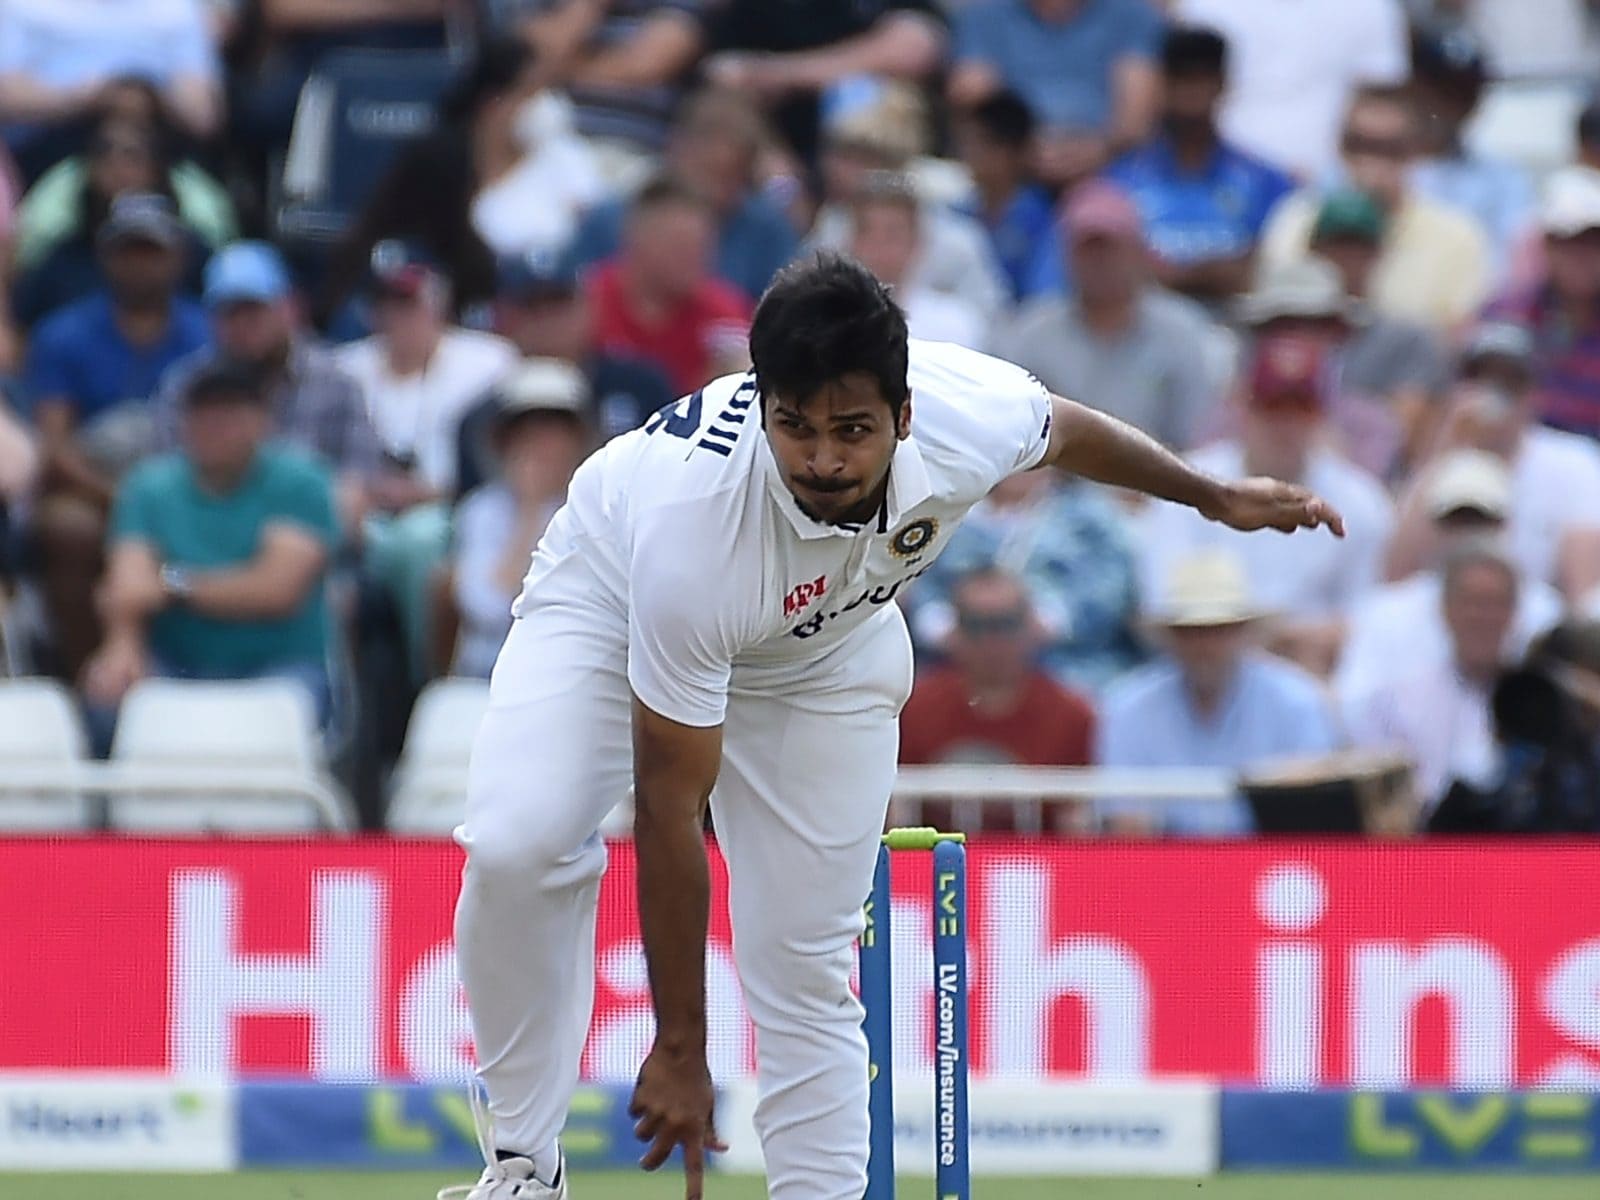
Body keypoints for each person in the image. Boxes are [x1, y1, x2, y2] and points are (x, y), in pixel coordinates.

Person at [442, 252, 1343, 1200]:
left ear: (905, 417)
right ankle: (524, 1168)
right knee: (518, 844)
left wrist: (1211, 494)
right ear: (762, 407)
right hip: (615, 604)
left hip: (826, 654)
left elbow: (1066, 431)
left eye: (852, 431)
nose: (823, 460)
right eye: (795, 428)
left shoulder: (966, 413)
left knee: (804, 961)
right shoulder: (695, 530)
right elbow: (669, 812)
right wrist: (678, 1048)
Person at [80, 360, 339, 746]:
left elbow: (275, 592)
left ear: (261, 421)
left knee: (273, 724)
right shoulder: (148, 486)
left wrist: (171, 584)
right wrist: (123, 643)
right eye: (203, 414)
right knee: (106, 695)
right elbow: (128, 586)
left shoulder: (302, 482)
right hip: (175, 663)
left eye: (230, 413)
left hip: (278, 666)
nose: (215, 426)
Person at [22, 192, 208, 680]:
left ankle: (211, 673)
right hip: (97, 485)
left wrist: (166, 500)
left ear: (179, 257)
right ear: (105, 257)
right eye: (128, 251)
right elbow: (55, 446)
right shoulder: (63, 333)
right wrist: (121, 499)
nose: (139, 265)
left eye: (152, 252)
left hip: (191, 482)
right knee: (66, 527)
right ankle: (85, 678)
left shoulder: (208, 333)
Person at [1138, 333, 1395, 677]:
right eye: (1273, 409)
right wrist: (1266, 636)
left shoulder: (1361, 501)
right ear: (1245, 409)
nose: (1285, 427)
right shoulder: (1189, 481)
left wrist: (1288, 641)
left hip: (1318, 673)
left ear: (1320, 417)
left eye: (1299, 411)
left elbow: (1370, 618)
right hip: (1204, 664)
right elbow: (1162, 601)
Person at [323, 37, 601, 331]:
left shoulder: (560, 157)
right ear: (493, 102)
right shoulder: (440, 159)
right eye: (530, 92)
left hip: (545, 301)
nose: (543, 105)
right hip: (452, 308)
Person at [336, 242, 518, 682]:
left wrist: (426, 492)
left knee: (417, 545)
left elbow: (495, 459)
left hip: (448, 507)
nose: (396, 315)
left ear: (438, 301)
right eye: (384, 302)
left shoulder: (488, 360)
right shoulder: (347, 366)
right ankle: (346, 706)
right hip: (369, 510)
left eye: (407, 300)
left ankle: (430, 682)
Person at [1096, 548, 1341, 836]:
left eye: (1220, 630)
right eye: (1192, 632)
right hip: (1164, 869)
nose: (1206, 647)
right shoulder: (1128, 709)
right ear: (1171, 637)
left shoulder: (1297, 703)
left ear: (1244, 632)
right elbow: (1127, 825)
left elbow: (1314, 815)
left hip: (1269, 868)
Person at [151, 241, 381, 534]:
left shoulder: (336, 381)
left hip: (309, 536)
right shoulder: (185, 385)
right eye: (230, 313)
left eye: (254, 310)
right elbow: (167, 483)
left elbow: (360, 481)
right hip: (209, 533)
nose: (243, 324)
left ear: (289, 308)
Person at [994, 180, 1226, 450]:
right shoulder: (1031, 334)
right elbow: (1010, 434)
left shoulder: (1182, 332)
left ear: (1138, 252)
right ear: (1066, 256)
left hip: (1156, 482)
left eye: (1111, 248)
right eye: (1087, 250)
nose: (1099, 262)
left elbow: (1197, 439)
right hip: (1050, 485)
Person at [1336, 448, 1561, 719]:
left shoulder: (1547, 612)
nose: (1468, 534)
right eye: (1457, 522)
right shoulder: (1386, 613)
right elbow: (1355, 707)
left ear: (1504, 525)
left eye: (1480, 521)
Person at [1385, 321, 1600, 604]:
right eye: (1481, 380)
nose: (1494, 394)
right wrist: (1448, 448)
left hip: (1537, 625)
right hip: (1447, 619)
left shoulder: (1573, 462)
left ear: (1533, 393)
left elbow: (1585, 593)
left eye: (1510, 383)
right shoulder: (1444, 460)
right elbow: (1395, 577)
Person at [1257, 87, 1491, 332]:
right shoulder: (1298, 220)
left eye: (1388, 150)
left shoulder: (1456, 237)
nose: (1371, 164)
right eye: (1358, 145)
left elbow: (1456, 339)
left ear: (1416, 152)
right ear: (1339, 147)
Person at [902, 465, 1142, 695]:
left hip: (1066, 662)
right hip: (954, 659)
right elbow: (920, 579)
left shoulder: (1089, 516)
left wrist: (1052, 621)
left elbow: (1113, 583)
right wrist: (940, 626)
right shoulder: (951, 512)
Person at [1103, 24, 1294, 307]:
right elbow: (1114, 273)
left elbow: (1267, 272)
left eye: (1203, 78)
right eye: (1182, 78)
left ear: (1223, 84)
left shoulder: (1267, 182)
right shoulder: (1118, 182)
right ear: (1162, 84)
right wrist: (1211, 274)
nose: (1191, 92)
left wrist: (1170, 274)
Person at [899, 565, 1096, 835]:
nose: (991, 640)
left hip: (1035, 870)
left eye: (1005, 623)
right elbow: (896, 813)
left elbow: (1077, 823)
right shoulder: (913, 709)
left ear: (1031, 626)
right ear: (954, 631)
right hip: (938, 867)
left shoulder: (1072, 714)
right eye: (975, 625)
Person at [456, 250, 672, 494]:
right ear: (507, 318)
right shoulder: (483, 416)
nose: (548, 322)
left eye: (559, 304)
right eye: (532, 307)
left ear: (589, 307)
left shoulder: (640, 386)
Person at [561, 86, 799, 304]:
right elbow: (573, 297)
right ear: (677, 150)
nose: (713, 191)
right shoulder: (611, 218)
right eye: (708, 171)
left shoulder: (769, 231)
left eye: (732, 175)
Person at [1233, 254, 1449, 476]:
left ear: (1338, 333)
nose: (1298, 338)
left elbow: (1365, 499)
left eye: (1316, 325)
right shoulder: (1228, 415)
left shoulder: (1370, 424)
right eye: (1283, 325)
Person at [1346, 540, 1521, 812]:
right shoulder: (1399, 702)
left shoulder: (1540, 700)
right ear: (1445, 609)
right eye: (1472, 602)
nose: (1483, 617)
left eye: (1495, 603)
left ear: (1514, 613)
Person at [450, 359, 592, 679]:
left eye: (553, 431)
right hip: (487, 673)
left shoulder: (598, 509)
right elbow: (484, 607)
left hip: (572, 674)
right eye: (527, 433)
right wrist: (529, 512)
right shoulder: (481, 510)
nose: (540, 445)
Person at [1170, 0, 1409, 182]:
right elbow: (1185, 89)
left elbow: (1380, 103)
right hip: (1221, 185)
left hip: (1327, 186)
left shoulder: (1371, 6)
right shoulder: (1203, 4)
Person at [698, 0, 947, 167]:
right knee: (725, 103)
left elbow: (913, 50)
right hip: (779, 154)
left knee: (869, 94)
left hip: (881, 150)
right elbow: (724, 70)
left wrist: (779, 74)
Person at [948, 0, 1162, 189]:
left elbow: (1136, 117)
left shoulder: (1132, 14)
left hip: (1108, 172)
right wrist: (1023, 149)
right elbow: (971, 96)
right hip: (1013, 171)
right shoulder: (985, 16)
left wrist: (1098, 149)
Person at [0, 0, 222, 180]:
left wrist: (143, 95)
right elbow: (6, 96)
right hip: (55, 150)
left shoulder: (175, 8)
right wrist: (86, 99)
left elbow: (204, 116)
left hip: (162, 147)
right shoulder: (24, 5)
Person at [486, 0, 706, 175]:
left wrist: (555, 68)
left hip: (624, 151)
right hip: (538, 145)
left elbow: (644, 66)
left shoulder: (675, 5)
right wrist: (588, 6)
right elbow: (526, 57)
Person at [583, 176, 752, 396]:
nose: (695, 258)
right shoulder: (590, 299)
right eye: (680, 246)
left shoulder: (722, 314)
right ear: (636, 240)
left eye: (703, 246)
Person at [1407, 23, 1536, 282]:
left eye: (1462, 94)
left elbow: (1510, 272)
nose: (1449, 106)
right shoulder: (1373, 165)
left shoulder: (1505, 181)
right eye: (1439, 92)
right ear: (1411, 89)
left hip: (1477, 312)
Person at [1486, 166, 1600, 442]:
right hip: (1516, 456)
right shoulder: (1506, 314)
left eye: (1592, 242)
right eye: (1567, 241)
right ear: (1546, 245)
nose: (1580, 255)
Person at [848, 173, 990, 349]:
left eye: (892, 234)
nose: (877, 246)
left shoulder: (954, 327)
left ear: (916, 244)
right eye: (865, 231)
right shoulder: (824, 322)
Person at [951, 89, 1055, 304]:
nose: (971, 154)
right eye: (967, 143)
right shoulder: (955, 213)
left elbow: (1043, 292)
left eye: (982, 144)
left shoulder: (1044, 219)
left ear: (1012, 151)